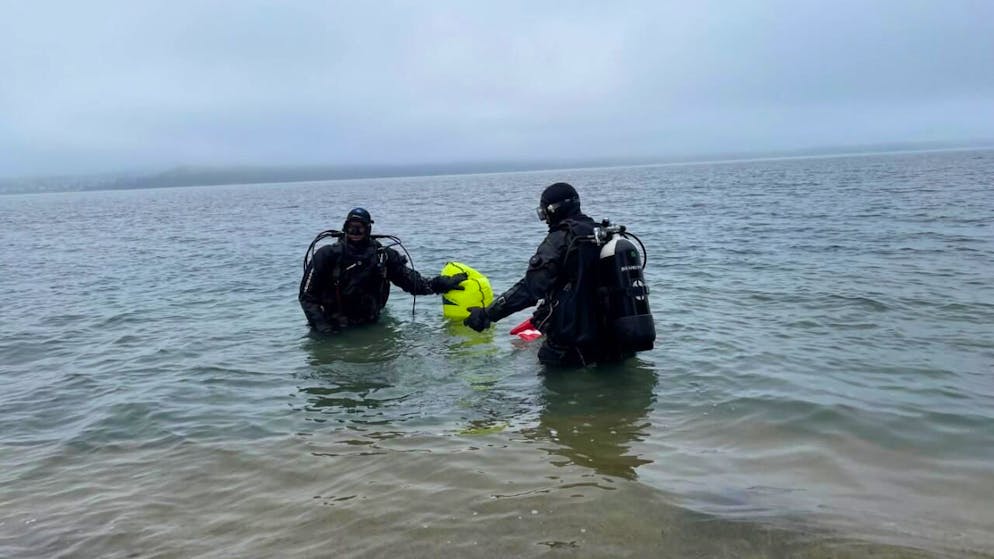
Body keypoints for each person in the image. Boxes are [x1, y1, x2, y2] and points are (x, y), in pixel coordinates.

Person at [464, 182, 641, 366]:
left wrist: (487, 315)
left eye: (543, 213)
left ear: (553, 210)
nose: (545, 219)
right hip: (616, 343)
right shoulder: (604, 235)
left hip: (574, 348)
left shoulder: (560, 239)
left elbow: (531, 289)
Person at [299, 207, 467, 333]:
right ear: (345, 228)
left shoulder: (383, 256)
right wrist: (322, 327)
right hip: (334, 328)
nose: (355, 232)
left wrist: (442, 283)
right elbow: (306, 296)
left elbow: (414, 284)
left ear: (368, 229)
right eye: (351, 228)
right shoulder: (327, 255)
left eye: (360, 228)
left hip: (372, 324)